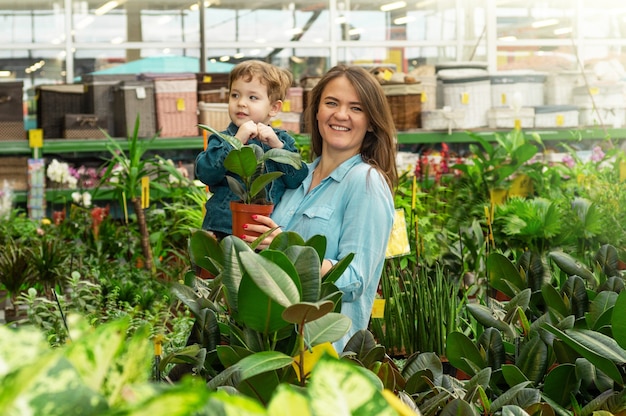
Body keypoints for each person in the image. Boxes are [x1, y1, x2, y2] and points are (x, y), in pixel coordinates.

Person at [241, 65, 398, 352]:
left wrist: (287, 249)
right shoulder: (295, 177)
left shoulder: (365, 182)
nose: (341, 115)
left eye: (356, 108)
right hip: (274, 349)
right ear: (316, 112)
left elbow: (356, 279)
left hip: (322, 355)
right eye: (331, 103)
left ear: (372, 122)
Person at [195, 60, 309, 240]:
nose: (241, 103)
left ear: (273, 108)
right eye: (235, 95)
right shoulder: (221, 139)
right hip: (223, 230)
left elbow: (297, 179)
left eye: (252, 97)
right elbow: (205, 173)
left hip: (264, 234)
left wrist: (278, 147)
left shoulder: (281, 141)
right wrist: (235, 142)